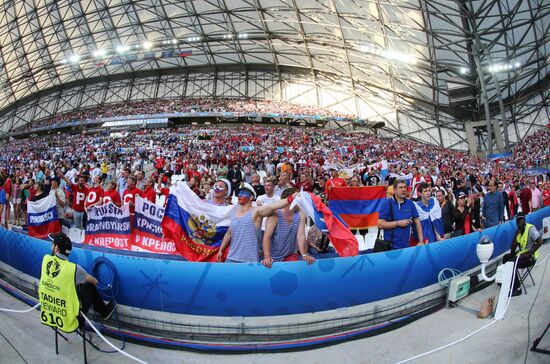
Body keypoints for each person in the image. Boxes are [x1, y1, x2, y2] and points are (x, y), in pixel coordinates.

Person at [38, 233, 116, 334]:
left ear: (56, 248)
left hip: (48, 313)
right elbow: (95, 281)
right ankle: (104, 312)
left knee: (73, 286)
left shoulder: (46, 259)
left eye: (52, 244)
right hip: (68, 317)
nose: (51, 246)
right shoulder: (74, 269)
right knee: (89, 285)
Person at [217, 183, 298, 263]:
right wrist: (221, 250)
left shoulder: (256, 211)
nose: (239, 195)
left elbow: (273, 206)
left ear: (251, 197)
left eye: (243, 193)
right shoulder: (234, 213)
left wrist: (290, 198)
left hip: (249, 261)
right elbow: (229, 233)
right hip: (231, 258)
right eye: (239, 193)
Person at [261, 188, 315, 268]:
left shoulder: (300, 214)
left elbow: (301, 235)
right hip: (273, 258)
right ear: (291, 200)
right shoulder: (274, 215)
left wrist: (304, 254)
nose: (301, 201)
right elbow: (266, 237)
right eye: (299, 198)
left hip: (290, 254)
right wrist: (267, 256)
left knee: (292, 275)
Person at [502, 213, 543, 296]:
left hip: (531, 256)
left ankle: (517, 288)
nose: (519, 222)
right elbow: (513, 251)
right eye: (518, 221)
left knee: (512, 263)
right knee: (506, 258)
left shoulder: (531, 228)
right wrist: (516, 235)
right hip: (522, 253)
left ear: (524, 220)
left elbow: (540, 241)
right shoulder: (519, 231)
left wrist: (529, 253)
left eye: (521, 220)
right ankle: (506, 280)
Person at [377, 179, 424, 249]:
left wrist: (421, 240)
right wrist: (398, 223)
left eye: (405, 187)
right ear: (394, 190)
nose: (404, 189)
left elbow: (417, 222)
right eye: (400, 187)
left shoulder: (410, 203)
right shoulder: (386, 203)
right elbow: (380, 224)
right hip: (390, 247)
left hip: (407, 246)